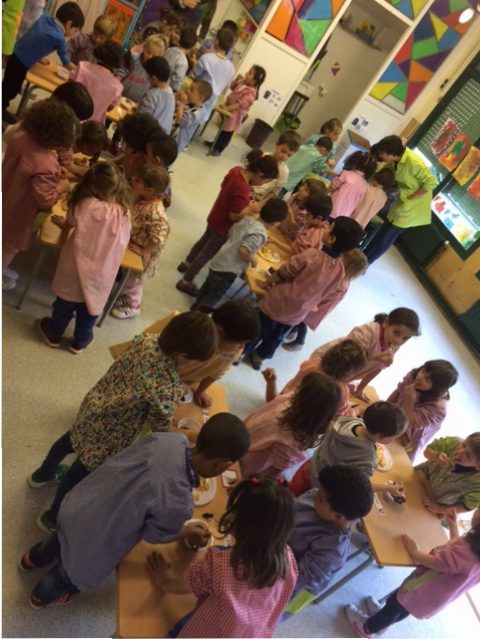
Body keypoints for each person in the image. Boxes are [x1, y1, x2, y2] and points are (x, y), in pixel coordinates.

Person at [21, 414, 250, 608]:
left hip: (81, 504)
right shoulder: (179, 501)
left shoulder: (167, 439)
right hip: (96, 541)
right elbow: (154, 535)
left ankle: (32, 559)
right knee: (67, 575)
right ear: (222, 464)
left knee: (59, 538)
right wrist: (187, 532)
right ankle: (40, 596)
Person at [28, 311, 218, 533]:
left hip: (96, 405)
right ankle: (51, 518)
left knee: (68, 441)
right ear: (185, 356)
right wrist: (191, 434)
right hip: (111, 433)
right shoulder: (167, 387)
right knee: (78, 473)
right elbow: (160, 430)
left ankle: (43, 473)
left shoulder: (147, 341)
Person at [148, 475, 298, 638]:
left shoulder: (220, 564)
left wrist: (165, 580)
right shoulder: (289, 560)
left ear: (239, 522)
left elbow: (183, 584)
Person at [245, 217, 365, 367]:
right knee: (276, 338)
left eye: (329, 228)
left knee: (259, 329)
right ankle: (259, 358)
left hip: (278, 303)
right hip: (298, 313)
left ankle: (241, 352)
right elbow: (325, 293)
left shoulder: (312, 255)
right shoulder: (340, 271)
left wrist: (266, 282)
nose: (326, 229)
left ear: (332, 239)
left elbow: (285, 271)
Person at [345, 507, 480, 637]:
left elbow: (440, 563)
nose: (476, 510)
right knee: (404, 607)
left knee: (396, 604)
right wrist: (453, 526)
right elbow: (456, 558)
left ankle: (367, 628)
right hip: (431, 593)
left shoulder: (467, 551)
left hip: (424, 587)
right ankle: (382, 621)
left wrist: (414, 552)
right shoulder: (475, 549)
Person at [38, 163, 131, 352]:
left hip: (74, 265)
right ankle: (80, 341)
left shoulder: (85, 204)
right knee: (90, 308)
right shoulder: (125, 213)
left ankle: (54, 334)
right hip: (102, 271)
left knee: (64, 303)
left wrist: (64, 225)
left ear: (94, 187)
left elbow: (70, 223)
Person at [176, 150, 279, 296]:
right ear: (260, 174)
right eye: (265, 181)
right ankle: (185, 282)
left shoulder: (236, 171)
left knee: (202, 241)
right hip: (223, 227)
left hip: (215, 216)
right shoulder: (243, 189)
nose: (262, 185)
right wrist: (249, 208)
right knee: (206, 255)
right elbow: (234, 216)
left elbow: (223, 185)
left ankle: (186, 264)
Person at [2, 99, 75, 291]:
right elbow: (46, 200)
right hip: (19, 211)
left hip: (6, 191)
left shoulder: (21, 136)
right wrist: (61, 187)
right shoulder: (46, 163)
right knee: (9, 247)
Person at [285, 465, 374, 613]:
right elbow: (293, 507)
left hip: (286, 587)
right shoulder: (318, 498)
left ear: (338, 516)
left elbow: (294, 579)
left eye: (320, 499)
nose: (314, 494)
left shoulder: (332, 551)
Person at [283, 307, 421, 400]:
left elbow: (377, 369)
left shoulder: (394, 346)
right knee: (301, 387)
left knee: (317, 395)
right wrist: (376, 358)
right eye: (396, 333)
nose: (398, 340)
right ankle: (281, 399)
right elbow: (349, 356)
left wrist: (360, 389)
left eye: (405, 338)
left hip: (345, 373)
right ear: (386, 323)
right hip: (330, 363)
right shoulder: (366, 331)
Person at [289, 401, 408, 497]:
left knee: (287, 497)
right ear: (380, 436)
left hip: (309, 468)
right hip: (319, 490)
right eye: (394, 437)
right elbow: (360, 486)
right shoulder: (368, 459)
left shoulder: (348, 421)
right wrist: (388, 488)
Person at [240, 372, 341, 478]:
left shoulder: (291, 442)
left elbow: (271, 473)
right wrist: (271, 383)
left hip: (244, 464)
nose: (297, 388)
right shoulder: (292, 399)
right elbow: (273, 401)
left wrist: (246, 481)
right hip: (241, 444)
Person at [193, 198, 288, 310]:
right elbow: (244, 251)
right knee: (213, 297)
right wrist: (253, 260)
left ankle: (194, 308)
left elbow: (232, 232)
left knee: (207, 287)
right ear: (275, 223)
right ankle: (199, 314)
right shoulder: (260, 233)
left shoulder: (249, 219)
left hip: (220, 258)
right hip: (228, 269)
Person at [2, 3, 85, 121]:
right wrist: (80, 71)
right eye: (75, 30)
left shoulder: (45, 17)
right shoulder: (59, 38)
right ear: (69, 24)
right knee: (11, 89)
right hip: (22, 62)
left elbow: (36, 38)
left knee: (8, 83)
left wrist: (39, 57)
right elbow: (66, 62)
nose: (74, 34)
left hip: (15, 52)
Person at [364, 135, 437, 264]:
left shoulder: (414, 162)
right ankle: (363, 256)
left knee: (387, 236)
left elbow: (431, 182)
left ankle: (367, 262)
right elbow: (383, 170)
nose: (380, 155)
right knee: (382, 231)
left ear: (391, 153)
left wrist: (414, 196)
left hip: (414, 206)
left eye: (382, 153)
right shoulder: (395, 161)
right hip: (403, 201)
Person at [111, 164, 170, 319]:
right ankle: (125, 297)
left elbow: (159, 238)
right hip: (135, 244)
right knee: (128, 277)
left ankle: (133, 305)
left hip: (144, 255)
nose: (133, 180)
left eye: (137, 180)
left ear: (149, 190)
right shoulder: (144, 199)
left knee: (134, 282)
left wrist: (143, 251)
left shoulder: (156, 212)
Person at [273, 340, 367, 416]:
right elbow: (340, 414)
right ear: (349, 372)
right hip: (303, 418)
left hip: (284, 399)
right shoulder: (340, 390)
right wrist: (356, 411)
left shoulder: (312, 363)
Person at [388, 360, 459, 460]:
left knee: (395, 457)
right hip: (394, 418)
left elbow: (410, 423)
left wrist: (409, 401)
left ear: (437, 387)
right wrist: (383, 408)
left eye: (427, 379)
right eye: (423, 371)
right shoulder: (414, 376)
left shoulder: (438, 408)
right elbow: (397, 392)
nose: (420, 377)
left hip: (410, 437)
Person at [208, 65, 266, 156]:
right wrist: (236, 80)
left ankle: (219, 149)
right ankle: (214, 144)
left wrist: (227, 108)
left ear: (255, 81)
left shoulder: (251, 93)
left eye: (250, 73)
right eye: (248, 71)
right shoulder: (243, 82)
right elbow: (232, 87)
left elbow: (239, 104)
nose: (246, 73)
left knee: (227, 132)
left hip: (235, 115)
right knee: (222, 129)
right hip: (228, 109)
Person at [416, 433, 480, 516]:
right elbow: (427, 451)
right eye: (464, 445)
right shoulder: (454, 442)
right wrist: (436, 456)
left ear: (478, 466)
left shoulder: (477, 483)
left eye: (468, 455)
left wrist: (439, 508)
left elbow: (467, 506)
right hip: (418, 478)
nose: (460, 452)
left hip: (432, 505)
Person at [72, 41, 124, 124]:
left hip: (72, 116)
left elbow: (69, 88)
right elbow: (109, 108)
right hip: (92, 125)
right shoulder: (117, 87)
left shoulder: (82, 66)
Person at [193, 27, 235, 123]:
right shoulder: (231, 68)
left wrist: (194, 61)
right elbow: (226, 86)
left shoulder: (207, 58)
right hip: (209, 106)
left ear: (217, 41)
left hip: (196, 98)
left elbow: (196, 73)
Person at [252, 130, 302, 202]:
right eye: (283, 151)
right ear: (277, 144)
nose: (284, 156)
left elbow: (275, 191)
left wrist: (261, 203)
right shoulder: (263, 156)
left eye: (289, 155)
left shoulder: (284, 171)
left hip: (261, 199)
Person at [118, 33, 166, 103]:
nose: (150, 57)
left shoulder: (156, 71)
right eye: (148, 52)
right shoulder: (133, 58)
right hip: (120, 96)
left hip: (138, 103)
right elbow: (120, 74)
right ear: (144, 48)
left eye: (154, 56)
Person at [329, 151, 377, 218]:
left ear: (353, 162)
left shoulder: (345, 174)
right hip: (344, 216)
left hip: (331, 208)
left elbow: (332, 187)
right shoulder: (365, 185)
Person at [117, 112, 162, 179]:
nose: (126, 146)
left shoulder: (141, 162)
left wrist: (126, 169)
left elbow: (125, 179)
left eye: (126, 143)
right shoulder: (143, 149)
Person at [137, 56, 175, 134]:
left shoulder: (152, 95)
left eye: (148, 76)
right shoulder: (170, 92)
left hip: (148, 135)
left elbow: (141, 119)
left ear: (154, 78)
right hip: (162, 135)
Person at [174, 79, 213, 153]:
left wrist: (182, 103)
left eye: (191, 90)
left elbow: (180, 121)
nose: (188, 91)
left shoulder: (198, 113)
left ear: (200, 98)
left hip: (175, 145)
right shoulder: (189, 102)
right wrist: (176, 97)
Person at [163, 26, 197, 91]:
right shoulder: (183, 62)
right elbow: (175, 84)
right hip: (166, 89)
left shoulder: (169, 49)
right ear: (193, 46)